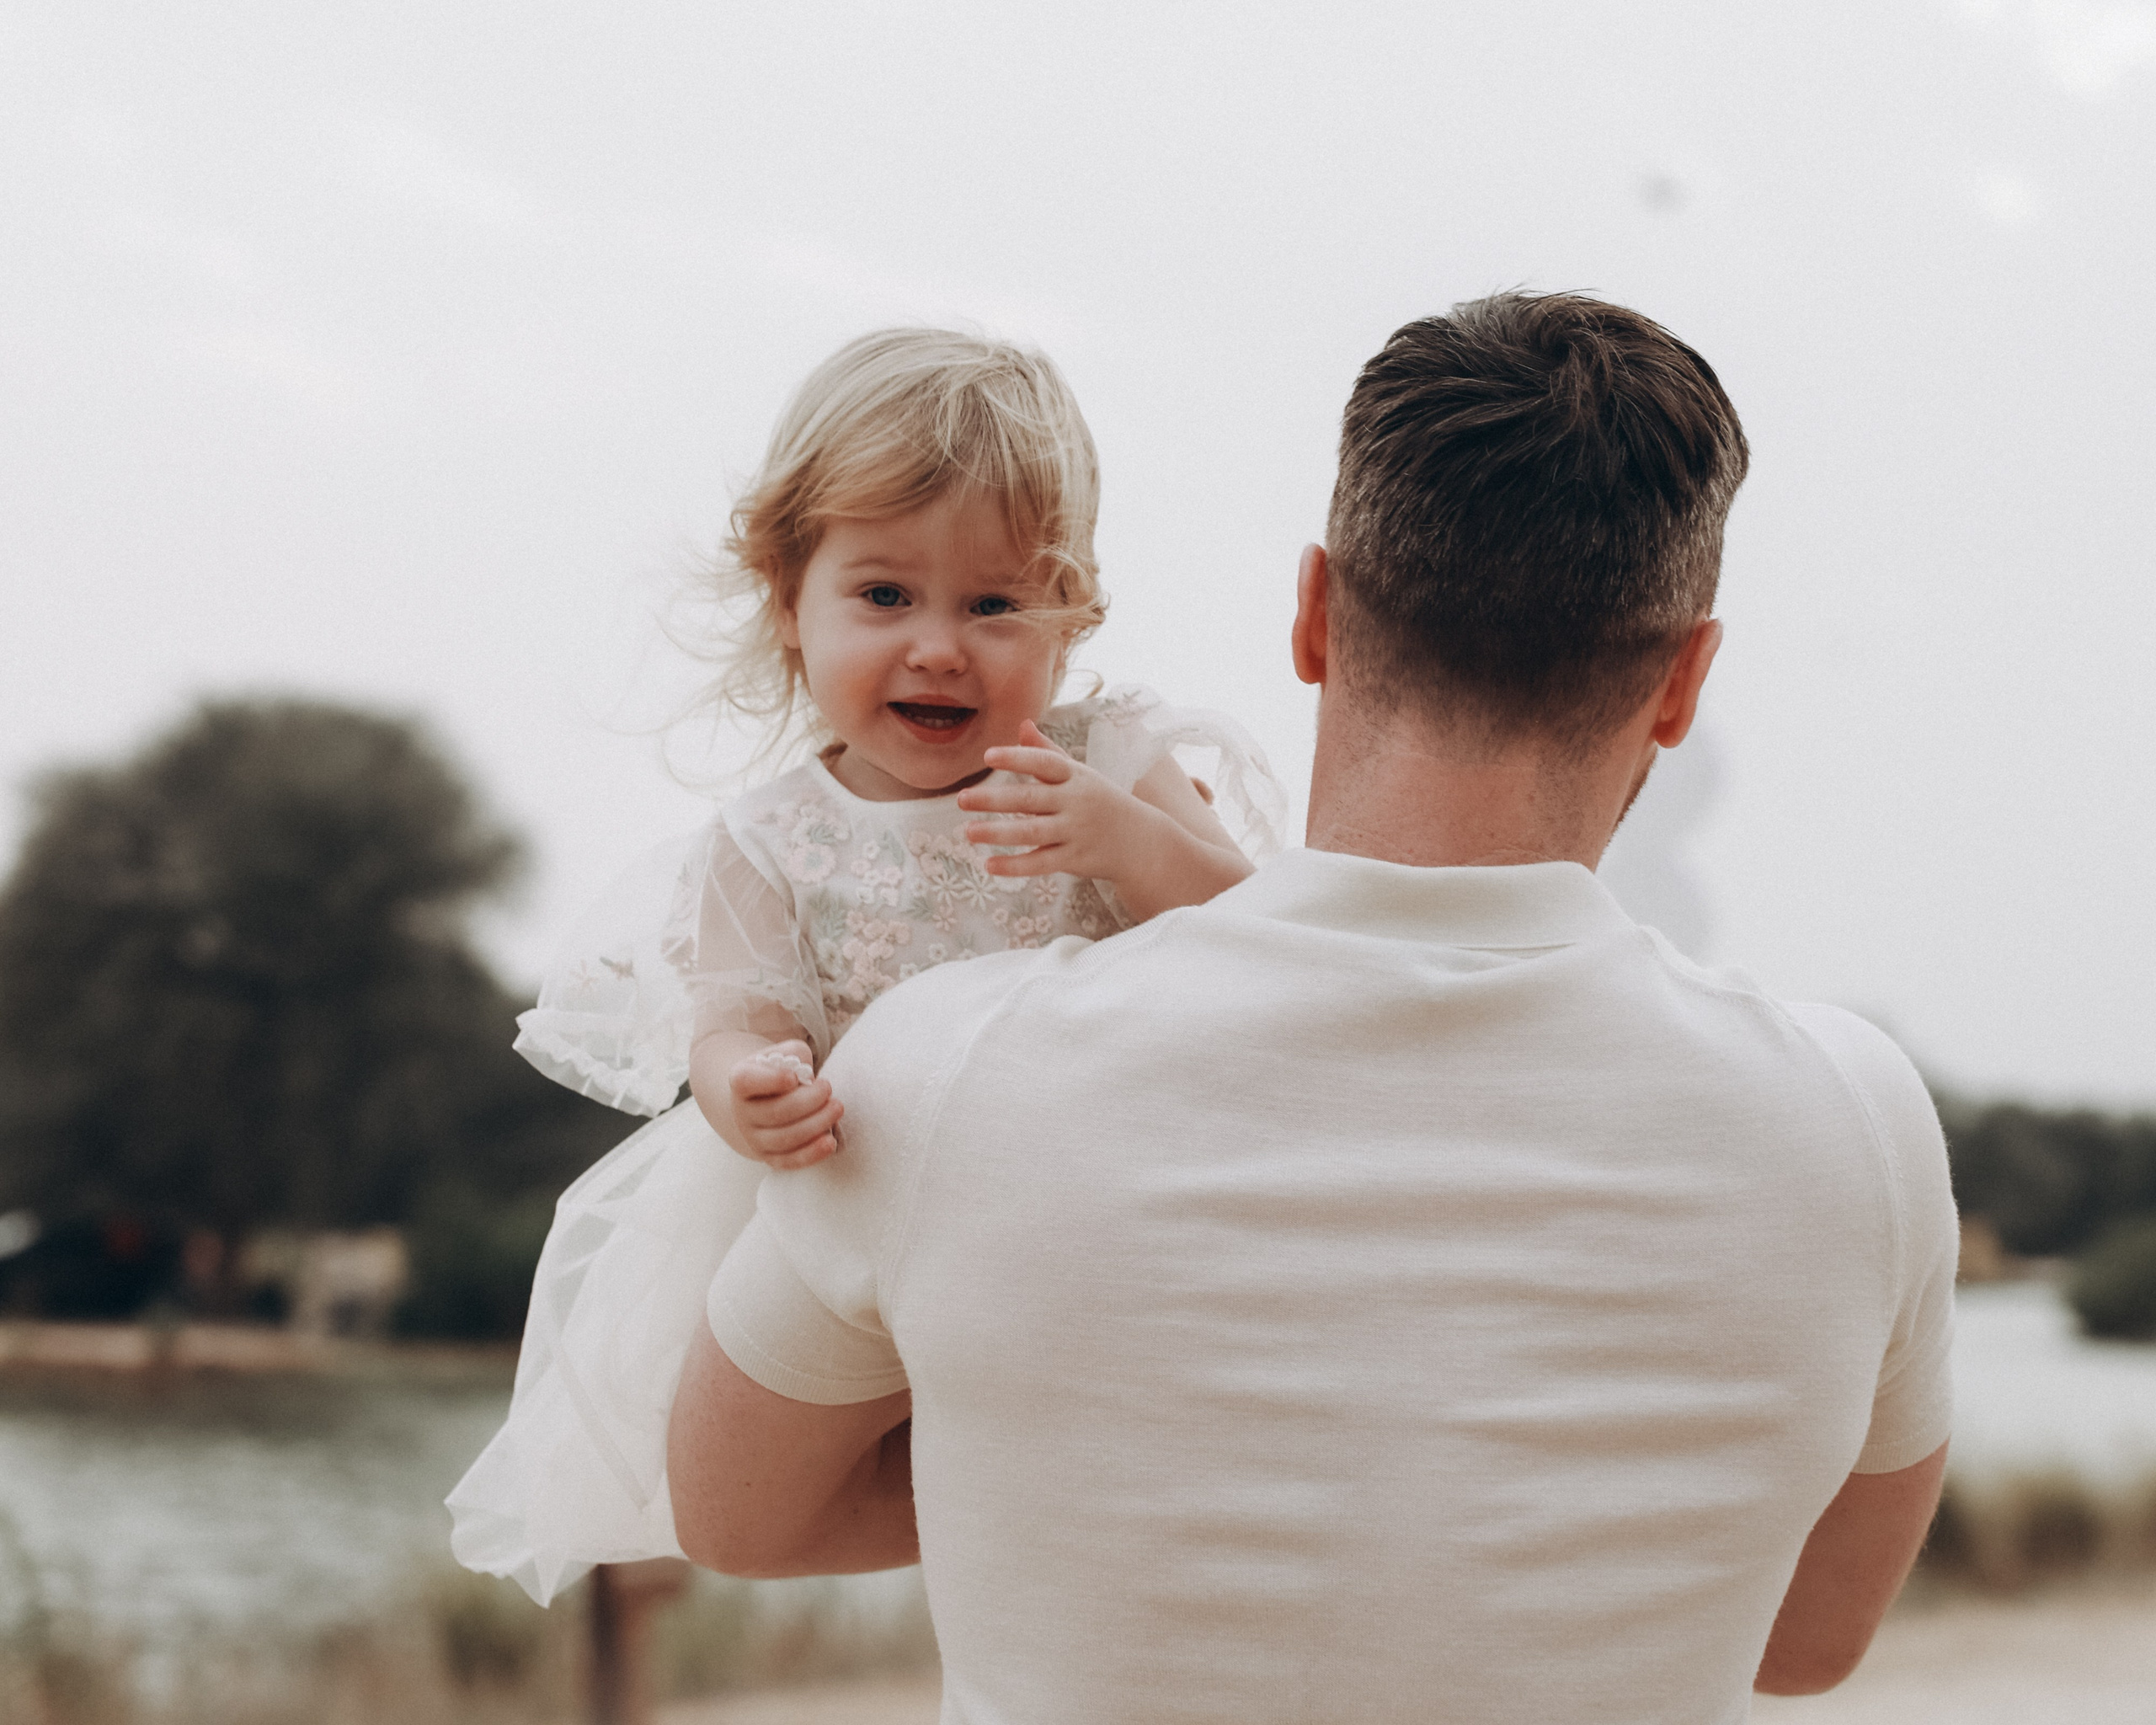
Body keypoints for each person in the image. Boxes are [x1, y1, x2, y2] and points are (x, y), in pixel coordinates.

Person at [665, 292, 1959, 1722]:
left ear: (1315, 613)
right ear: (1683, 683)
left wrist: (1056, 1447)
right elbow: (1813, 1642)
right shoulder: (1859, 1127)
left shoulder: (940, 1071)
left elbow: (739, 1518)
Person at [447, 328, 1287, 1605]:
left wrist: (1135, 846)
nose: (941, 646)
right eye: (886, 597)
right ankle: (1020, 1487)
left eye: (995, 605)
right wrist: (746, 1086)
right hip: (865, 1221)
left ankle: (1087, 1476)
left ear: (1070, 619)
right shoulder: (768, 843)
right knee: (730, 1513)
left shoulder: (1107, 762)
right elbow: (732, 1021)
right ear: (790, 601)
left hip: (1099, 1207)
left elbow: (1270, 945)